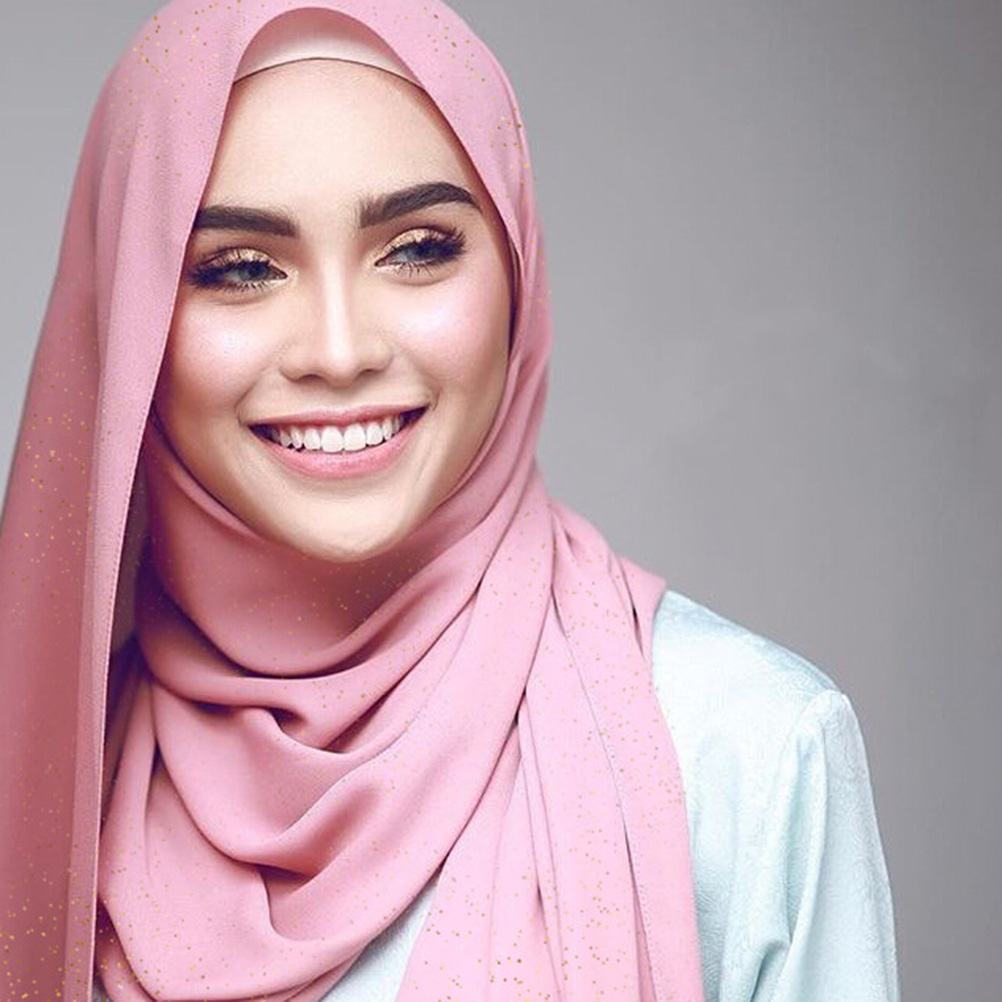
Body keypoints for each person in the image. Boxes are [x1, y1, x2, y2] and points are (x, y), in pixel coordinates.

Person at [0, 1, 899, 1000]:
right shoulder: (39, 780)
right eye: (242, 269)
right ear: (131, 321)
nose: (339, 350)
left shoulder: (745, 753)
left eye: (418, 248)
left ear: (517, 273)